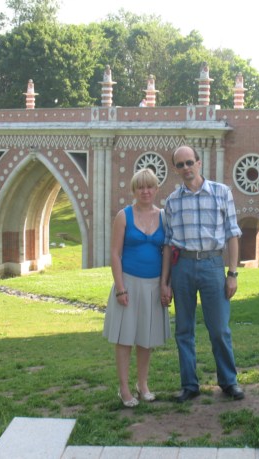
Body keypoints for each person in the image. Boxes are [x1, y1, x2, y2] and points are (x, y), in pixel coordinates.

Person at [160, 145, 244, 403]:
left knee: (219, 329)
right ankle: (189, 385)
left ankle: (229, 382)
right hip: (182, 267)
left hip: (212, 265)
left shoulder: (222, 192)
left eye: (189, 162)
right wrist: (165, 282)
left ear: (199, 163)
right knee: (184, 329)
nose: (186, 168)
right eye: (180, 164)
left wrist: (232, 274)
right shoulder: (172, 201)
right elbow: (168, 244)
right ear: (176, 169)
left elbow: (232, 234)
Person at [103, 168, 171, 408]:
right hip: (129, 283)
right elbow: (115, 254)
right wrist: (120, 288)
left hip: (153, 285)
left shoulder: (163, 217)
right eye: (140, 187)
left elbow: (167, 253)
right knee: (125, 338)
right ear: (134, 190)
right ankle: (124, 388)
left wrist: (165, 283)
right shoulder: (124, 216)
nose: (145, 191)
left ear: (156, 189)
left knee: (146, 338)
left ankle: (143, 385)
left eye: (149, 186)